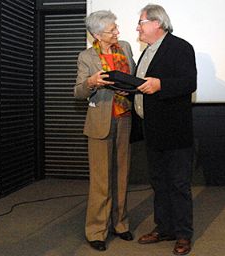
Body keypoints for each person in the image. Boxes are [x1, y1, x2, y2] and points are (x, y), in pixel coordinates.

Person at [131, 4, 197, 255]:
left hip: (174, 132)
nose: (138, 27)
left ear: (157, 23)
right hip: (153, 130)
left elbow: (189, 82)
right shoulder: (146, 52)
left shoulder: (180, 47)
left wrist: (161, 85)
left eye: (141, 22)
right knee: (159, 183)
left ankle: (183, 235)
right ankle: (164, 228)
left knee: (179, 184)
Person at [74, 10, 135, 251]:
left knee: (122, 174)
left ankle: (120, 224)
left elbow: (132, 77)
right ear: (98, 34)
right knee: (101, 180)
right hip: (100, 121)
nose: (117, 33)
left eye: (116, 28)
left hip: (125, 118)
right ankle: (96, 230)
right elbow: (77, 91)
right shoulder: (87, 56)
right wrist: (91, 83)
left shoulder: (126, 48)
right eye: (112, 30)